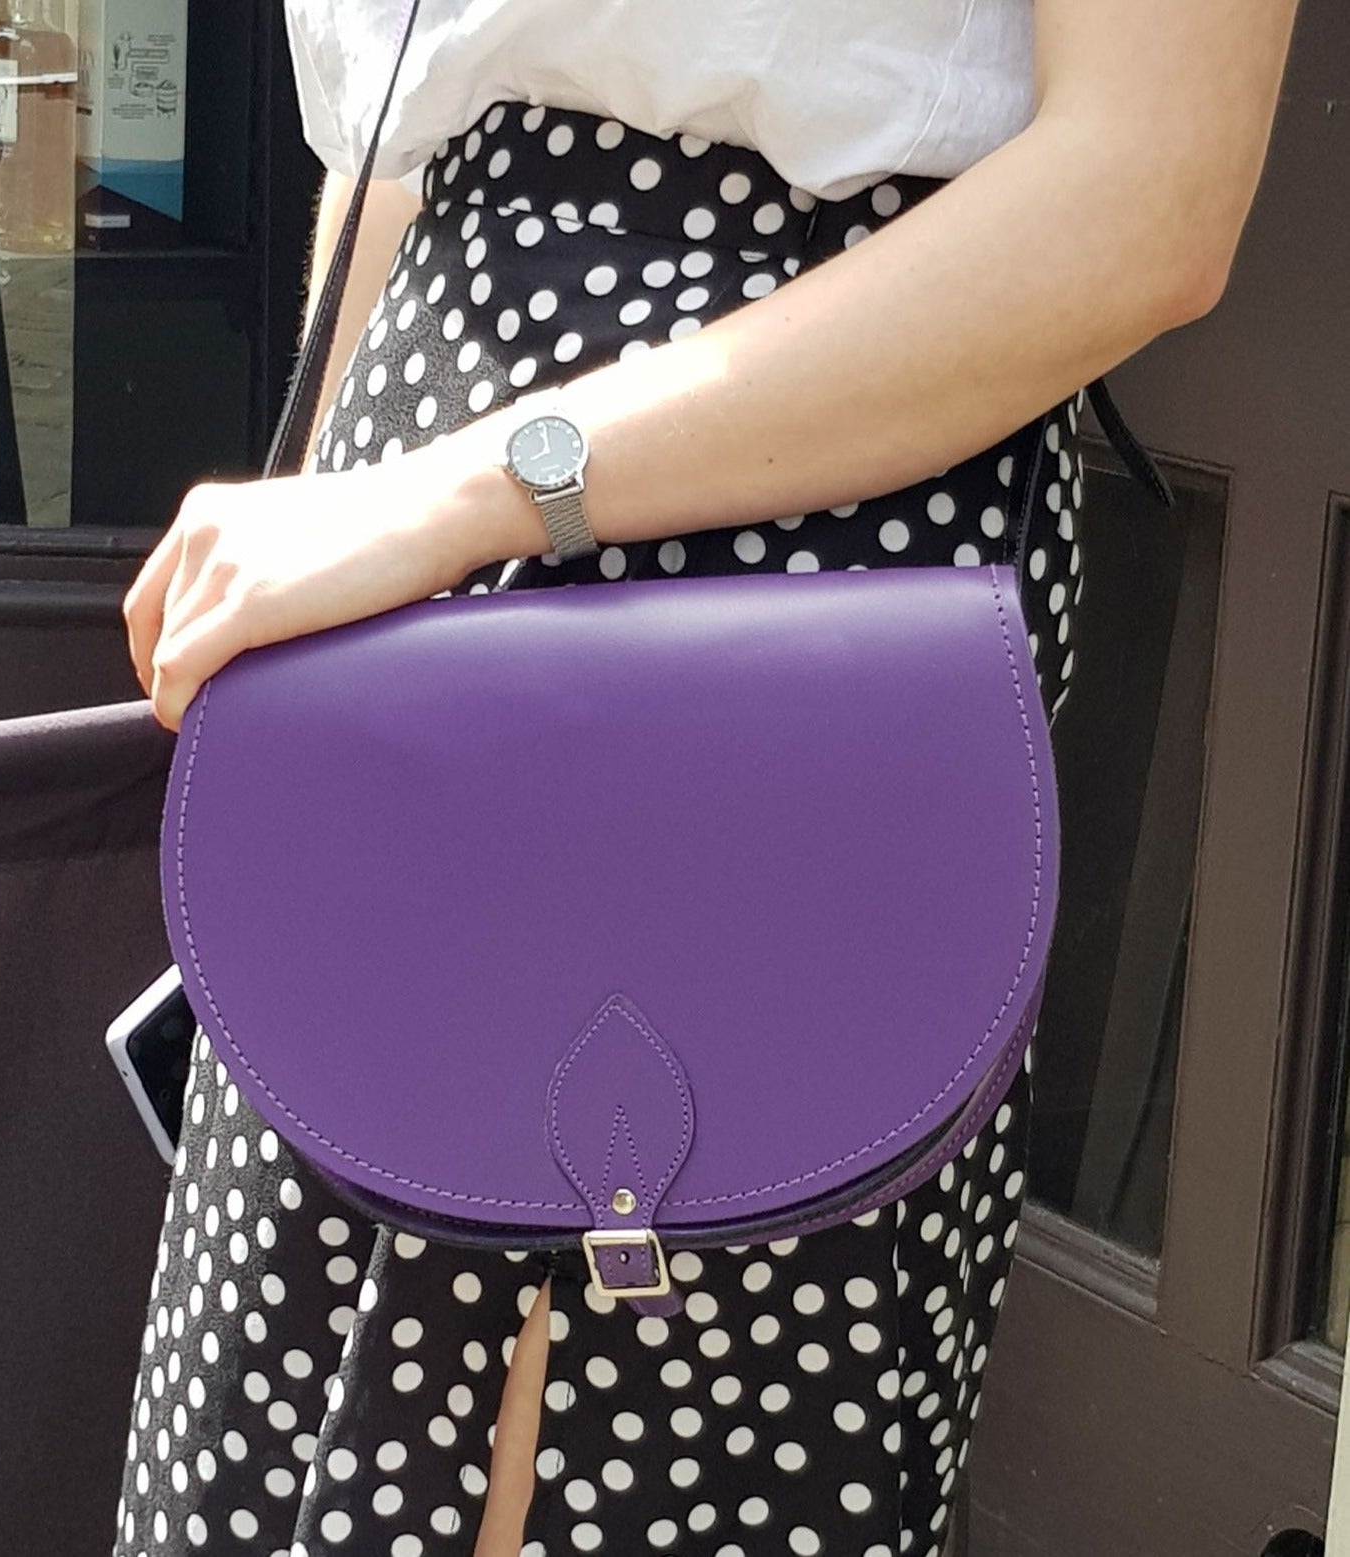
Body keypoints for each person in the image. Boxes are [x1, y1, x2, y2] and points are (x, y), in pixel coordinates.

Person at [115, 3, 1300, 1553]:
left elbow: (1148, 190)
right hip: (398, 566)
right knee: (281, 1384)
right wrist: (314, 548)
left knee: (655, 1403)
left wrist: (464, 493)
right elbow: (390, 156)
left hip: (782, 512)